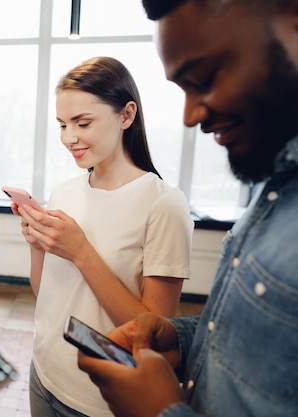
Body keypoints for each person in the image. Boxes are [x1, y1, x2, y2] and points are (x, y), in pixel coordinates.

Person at [76, 1, 298, 417]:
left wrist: (161, 412)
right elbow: (261, 343)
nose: (191, 115)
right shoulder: (273, 190)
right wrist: (182, 338)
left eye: (208, 77)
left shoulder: (164, 202)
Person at [12, 56, 193, 417]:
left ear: (126, 116)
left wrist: (81, 252)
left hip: (100, 398)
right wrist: (37, 246)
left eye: (83, 123)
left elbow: (151, 336)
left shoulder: (164, 206)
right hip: (44, 373)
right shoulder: (64, 191)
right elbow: (47, 295)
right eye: (62, 125)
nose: (69, 138)